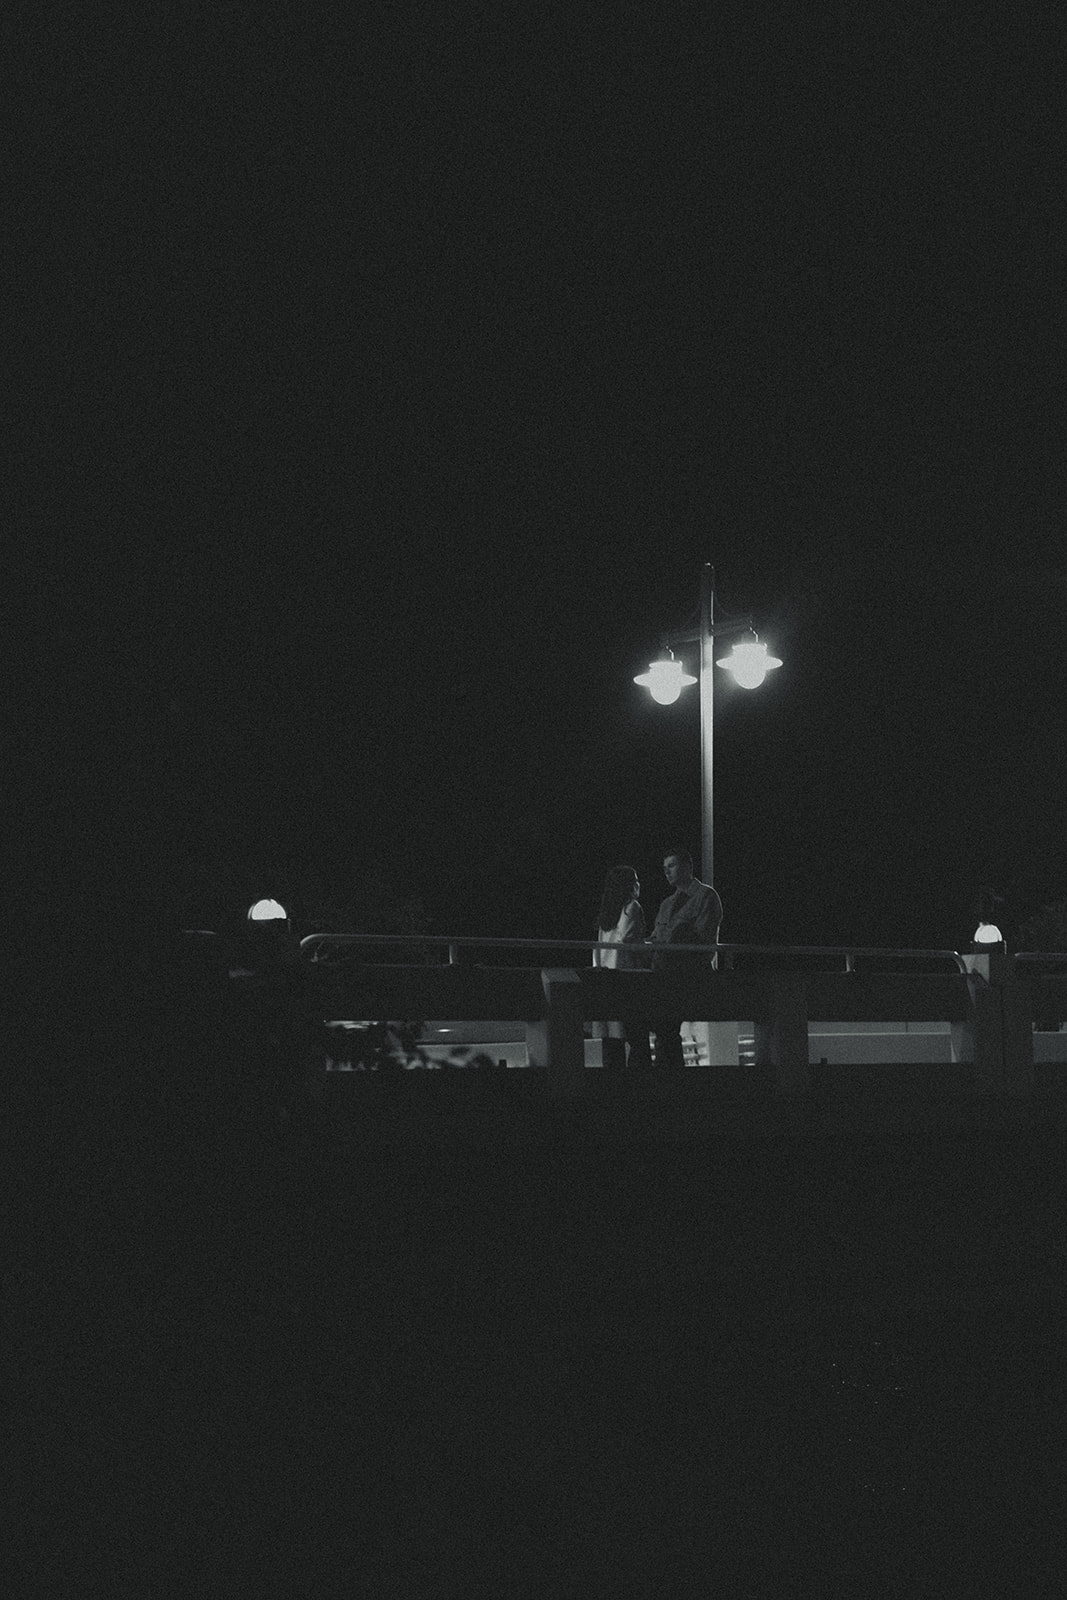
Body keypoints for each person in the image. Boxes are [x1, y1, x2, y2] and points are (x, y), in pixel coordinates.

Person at [648, 846, 723, 1068]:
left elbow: (702, 939)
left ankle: (671, 1076)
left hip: (688, 975)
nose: (667, 872)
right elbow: (655, 938)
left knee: (666, 1028)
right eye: (664, 868)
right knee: (664, 1030)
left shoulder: (706, 896)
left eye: (672, 866)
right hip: (662, 974)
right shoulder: (667, 904)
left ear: (688, 866)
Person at [591, 864, 652, 1068]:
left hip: (606, 981)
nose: (638, 883)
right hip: (628, 981)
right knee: (638, 1038)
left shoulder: (606, 915)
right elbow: (630, 939)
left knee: (612, 1041)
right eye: (635, 879)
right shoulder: (631, 907)